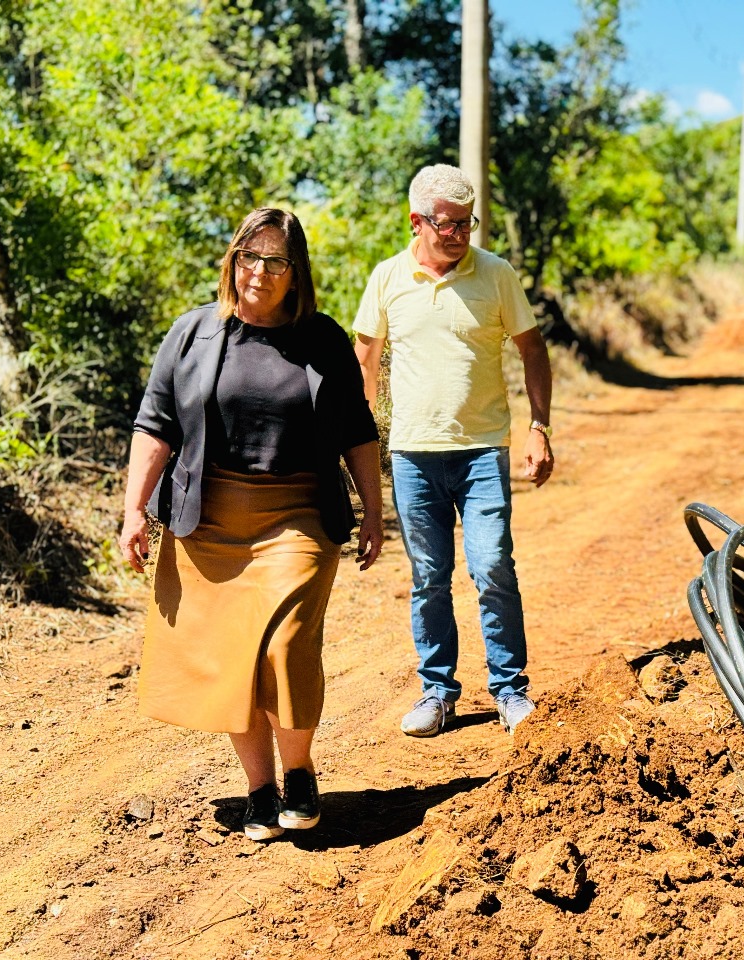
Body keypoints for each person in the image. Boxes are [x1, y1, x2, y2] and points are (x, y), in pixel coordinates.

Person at [118, 208, 383, 842]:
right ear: (233, 260)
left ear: (298, 273)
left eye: (276, 261)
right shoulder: (193, 333)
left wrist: (374, 511)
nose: (259, 271)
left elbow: (357, 433)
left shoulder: (322, 340)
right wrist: (135, 508)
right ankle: (259, 789)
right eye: (249, 256)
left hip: (296, 516)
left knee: (284, 648)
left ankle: (299, 773)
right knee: (233, 661)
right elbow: (155, 425)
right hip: (208, 523)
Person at [353, 164, 554, 738]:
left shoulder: (496, 274)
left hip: (482, 449)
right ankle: (438, 692)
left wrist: (539, 427)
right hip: (413, 454)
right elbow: (364, 360)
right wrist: (360, 440)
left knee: (491, 567)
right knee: (429, 578)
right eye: (447, 225)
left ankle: (511, 691)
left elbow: (532, 351)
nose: (459, 234)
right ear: (416, 221)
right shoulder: (388, 278)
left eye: (467, 223)